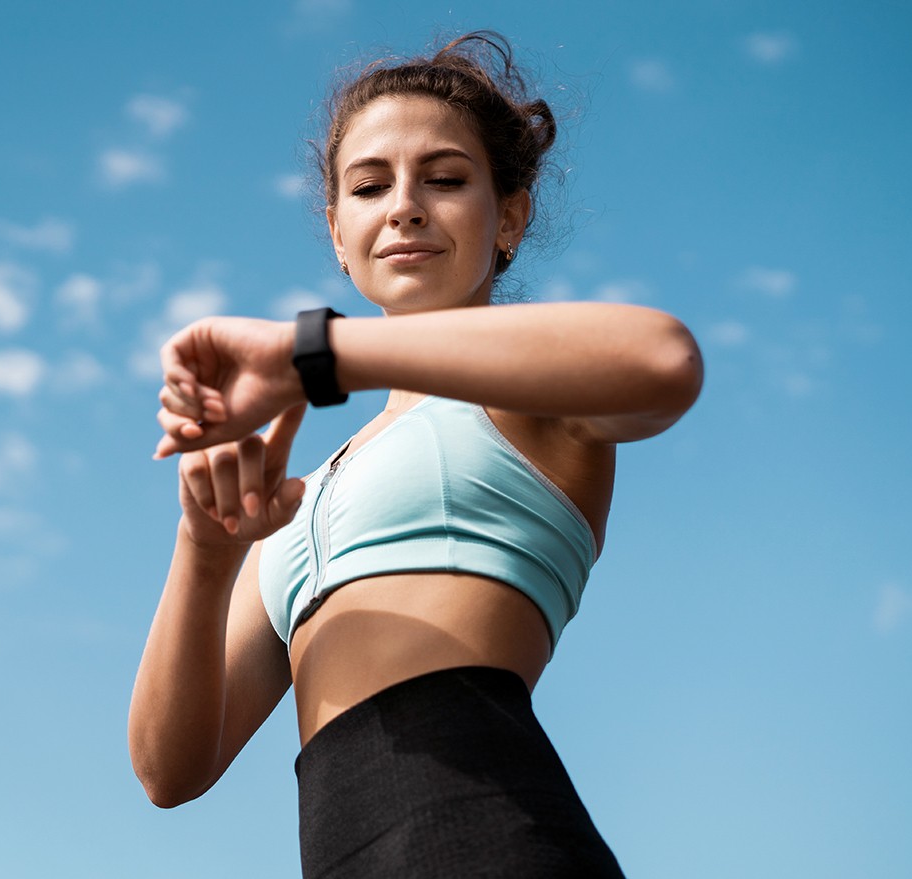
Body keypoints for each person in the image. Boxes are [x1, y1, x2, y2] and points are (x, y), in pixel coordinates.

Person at [128, 32, 702, 878]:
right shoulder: (304, 493)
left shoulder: (528, 394)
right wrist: (206, 552)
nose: (403, 205)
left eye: (444, 178)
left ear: (509, 213)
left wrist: (314, 356)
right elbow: (168, 770)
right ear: (336, 230)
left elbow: (664, 360)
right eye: (369, 185)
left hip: (486, 838)